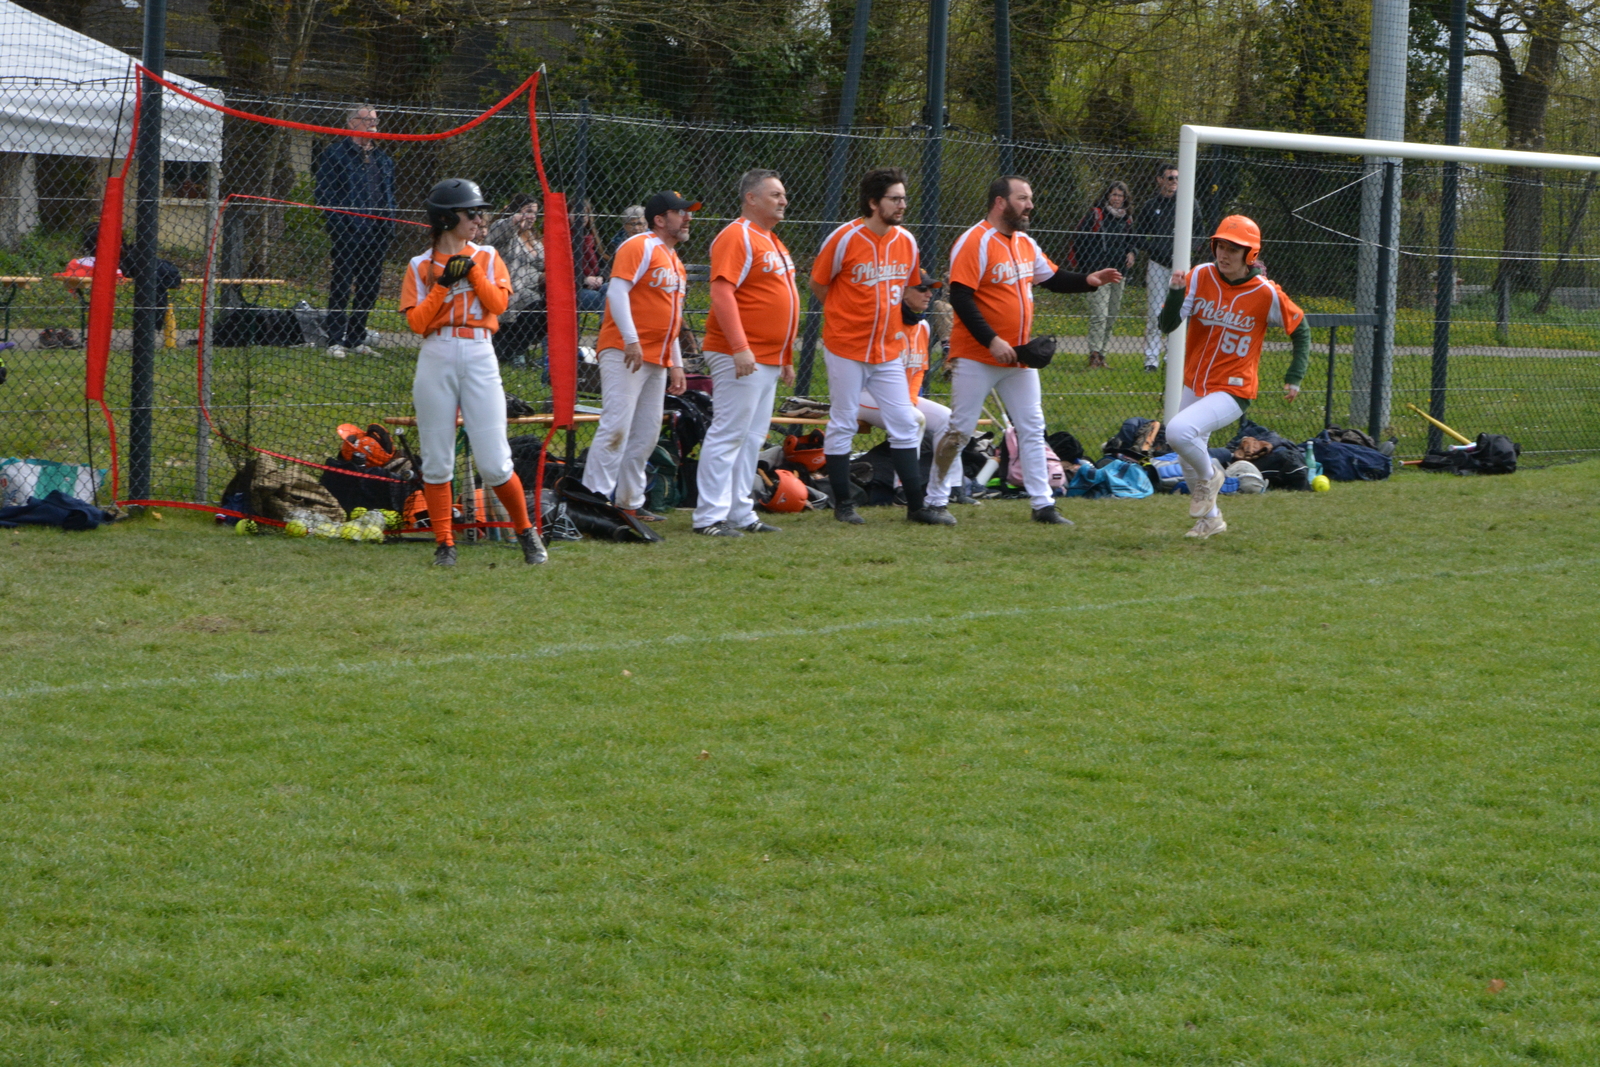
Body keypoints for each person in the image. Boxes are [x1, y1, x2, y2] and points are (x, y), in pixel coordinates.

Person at [929, 175, 1122, 525]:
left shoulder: (1024, 243)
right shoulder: (975, 241)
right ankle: (934, 500)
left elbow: (1053, 278)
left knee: (1032, 427)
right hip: (977, 355)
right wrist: (992, 340)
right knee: (959, 429)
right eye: (1022, 198)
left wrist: (1088, 280)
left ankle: (1042, 504)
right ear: (1000, 202)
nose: (1030, 204)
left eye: (1030, 198)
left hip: (1019, 357)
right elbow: (961, 297)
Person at [399, 178, 547, 567]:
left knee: (495, 462)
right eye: (471, 213)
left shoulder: (488, 255)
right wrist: (443, 285)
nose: (479, 220)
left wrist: (475, 274)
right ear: (447, 218)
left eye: (478, 213)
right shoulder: (419, 264)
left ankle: (526, 532)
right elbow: (418, 323)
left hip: (480, 352)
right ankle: (445, 544)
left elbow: (498, 304)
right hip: (437, 353)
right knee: (437, 460)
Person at [810, 167, 949, 526]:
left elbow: (906, 287)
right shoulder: (844, 238)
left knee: (904, 421)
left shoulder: (906, 241)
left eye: (903, 198)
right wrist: (844, 316)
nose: (902, 205)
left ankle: (916, 507)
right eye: (894, 199)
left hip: (887, 351)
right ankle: (844, 504)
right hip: (846, 347)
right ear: (873, 202)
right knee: (843, 421)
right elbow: (819, 284)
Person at [1157, 214, 1310, 539]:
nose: (1224, 254)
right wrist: (1175, 292)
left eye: (1233, 249)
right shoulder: (1201, 275)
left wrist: (1295, 375)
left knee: (1178, 431)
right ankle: (1211, 519)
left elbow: (1301, 329)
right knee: (1186, 454)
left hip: (1233, 388)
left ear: (1250, 254)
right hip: (1195, 381)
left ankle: (1212, 476)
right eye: (1220, 246)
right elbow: (1167, 325)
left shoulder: (1265, 292)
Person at [692, 169, 800, 537]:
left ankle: (741, 512)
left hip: (767, 357)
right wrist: (739, 347)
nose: (783, 200)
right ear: (751, 198)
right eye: (775, 194)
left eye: (783, 194)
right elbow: (722, 292)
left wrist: (785, 356)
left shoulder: (773, 240)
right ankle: (709, 517)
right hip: (740, 353)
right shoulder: (736, 235)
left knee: (752, 438)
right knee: (729, 433)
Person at [582, 190, 693, 523]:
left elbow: (672, 318)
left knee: (646, 434)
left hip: (657, 357)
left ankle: (629, 501)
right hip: (625, 350)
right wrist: (631, 340)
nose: (688, 217)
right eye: (680, 212)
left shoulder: (674, 260)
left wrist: (677, 364)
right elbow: (617, 291)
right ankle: (592, 502)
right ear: (659, 219)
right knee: (616, 426)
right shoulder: (639, 245)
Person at [856, 277, 969, 504]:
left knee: (949, 419)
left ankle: (952, 487)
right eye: (922, 289)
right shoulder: (884, 323)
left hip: (902, 397)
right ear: (902, 292)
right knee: (913, 419)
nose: (929, 294)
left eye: (930, 289)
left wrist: (908, 399)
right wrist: (904, 404)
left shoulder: (923, 326)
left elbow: (920, 369)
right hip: (865, 395)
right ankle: (903, 489)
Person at [314, 104, 396, 359]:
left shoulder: (383, 158)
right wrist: (340, 224)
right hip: (348, 230)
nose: (373, 124)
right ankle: (335, 339)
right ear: (352, 123)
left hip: (378, 231)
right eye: (367, 119)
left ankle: (356, 338)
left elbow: (389, 194)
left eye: (375, 120)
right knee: (342, 284)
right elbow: (324, 194)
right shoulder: (335, 154)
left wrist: (389, 223)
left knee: (369, 286)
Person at [1070, 180, 1137, 369]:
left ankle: (1102, 354)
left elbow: (1132, 241)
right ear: (1107, 196)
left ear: (1125, 199)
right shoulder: (1096, 215)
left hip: (1118, 272)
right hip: (1098, 273)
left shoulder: (1127, 219)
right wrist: (1087, 268)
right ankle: (1094, 353)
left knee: (1111, 315)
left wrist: (1132, 253)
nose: (1117, 199)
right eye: (1114, 194)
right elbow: (1079, 240)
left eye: (1120, 195)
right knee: (1099, 314)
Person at [485, 193, 546, 367]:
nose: (532, 217)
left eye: (535, 213)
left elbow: (541, 264)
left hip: (532, 289)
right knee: (536, 304)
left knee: (551, 305)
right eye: (528, 211)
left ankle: (520, 350)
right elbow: (495, 234)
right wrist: (515, 220)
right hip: (510, 291)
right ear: (516, 211)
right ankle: (516, 352)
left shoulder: (531, 237)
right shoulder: (506, 232)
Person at [1133, 161, 1179, 372]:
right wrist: (1156, 248)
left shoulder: (1188, 204)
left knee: (1177, 309)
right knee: (1155, 312)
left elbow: (1199, 233)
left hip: (1179, 267)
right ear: (1160, 180)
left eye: (1177, 178)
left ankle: (1172, 357)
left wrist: (1188, 249)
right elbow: (1138, 235)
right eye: (1170, 178)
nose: (1174, 182)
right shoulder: (1151, 205)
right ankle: (1151, 359)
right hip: (1157, 265)